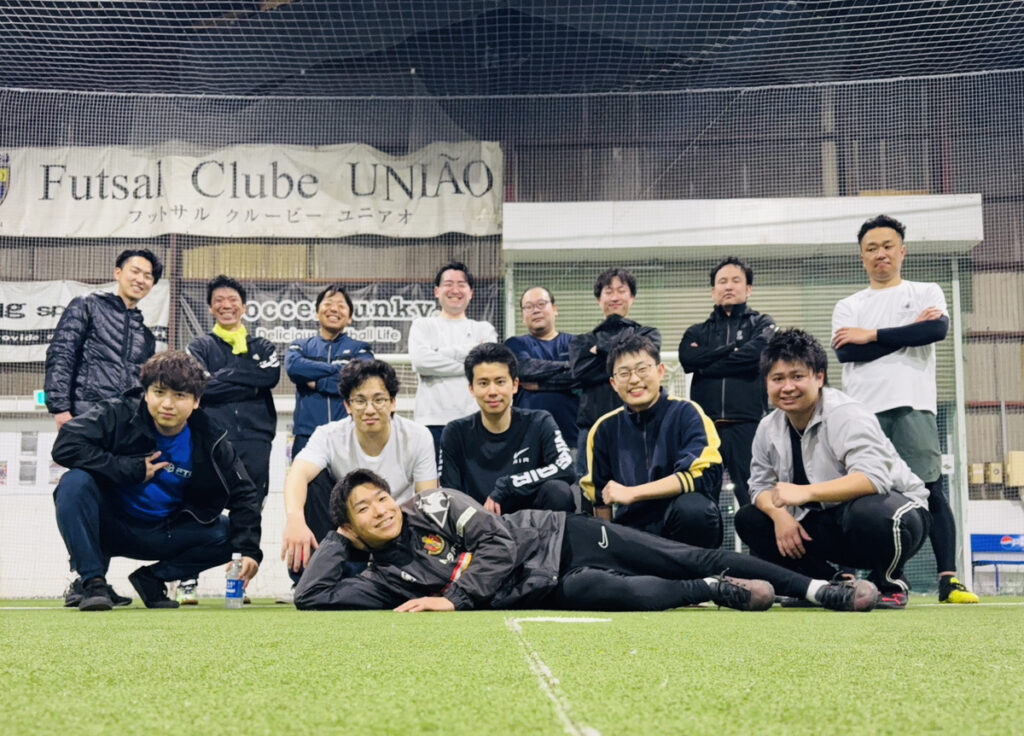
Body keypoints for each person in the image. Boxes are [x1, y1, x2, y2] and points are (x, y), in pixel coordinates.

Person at [292, 468, 878, 613]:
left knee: (684, 555)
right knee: (630, 595)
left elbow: (497, 546)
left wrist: (456, 599)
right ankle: (715, 590)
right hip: (543, 589)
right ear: (352, 528)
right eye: (363, 510)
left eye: (381, 497)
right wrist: (336, 540)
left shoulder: (436, 503)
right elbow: (311, 597)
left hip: (560, 538)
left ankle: (819, 589)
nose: (381, 510)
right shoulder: (380, 579)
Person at [831, 214, 978, 605]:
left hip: (913, 406)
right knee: (858, 495)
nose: (880, 254)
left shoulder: (926, 290)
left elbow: (935, 331)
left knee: (929, 490)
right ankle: (865, 576)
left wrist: (872, 334)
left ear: (902, 252)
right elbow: (847, 352)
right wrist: (908, 332)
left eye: (887, 246)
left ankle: (949, 579)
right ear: (862, 257)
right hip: (860, 413)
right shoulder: (849, 305)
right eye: (871, 248)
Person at [734, 329, 931, 609]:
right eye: (777, 379)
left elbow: (873, 479)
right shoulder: (768, 427)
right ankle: (824, 585)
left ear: (819, 377)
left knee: (871, 512)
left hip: (898, 515)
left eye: (797, 376)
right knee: (750, 518)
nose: (787, 387)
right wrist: (780, 516)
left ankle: (890, 582)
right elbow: (759, 487)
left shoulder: (846, 413)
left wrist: (806, 492)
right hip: (829, 522)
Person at [51, 351, 262, 611]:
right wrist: (128, 468)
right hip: (110, 526)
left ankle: (152, 579)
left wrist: (249, 552)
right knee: (74, 482)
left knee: (233, 535)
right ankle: (93, 582)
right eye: (159, 392)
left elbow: (244, 494)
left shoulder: (211, 439)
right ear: (146, 393)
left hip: (166, 532)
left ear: (196, 401)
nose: (167, 404)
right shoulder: (117, 413)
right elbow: (65, 446)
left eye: (180, 395)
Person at [281, 359, 437, 590]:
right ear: (347, 405)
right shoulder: (328, 435)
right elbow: (298, 473)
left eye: (379, 399)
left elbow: (428, 499)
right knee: (313, 483)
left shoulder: (417, 436)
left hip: (394, 529)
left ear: (393, 402)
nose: (370, 409)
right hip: (349, 532)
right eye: (360, 401)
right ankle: (312, 581)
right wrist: (295, 519)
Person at [182, 275, 279, 605]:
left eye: (232, 300)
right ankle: (186, 580)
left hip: (256, 439)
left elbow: (270, 376)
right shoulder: (199, 347)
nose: (226, 305)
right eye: (219, 301)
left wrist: (221, 378)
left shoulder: (262, 346)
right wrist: (248, 380)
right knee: (196, 508)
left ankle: (237, 584)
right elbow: (199, 386)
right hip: (211, 439)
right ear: (211, 308)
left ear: (244, 307)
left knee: (248, 511)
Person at [582, 335, 723, 548]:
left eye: (642, 369)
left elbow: (700, 475)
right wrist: (606, 549)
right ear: (613, 383)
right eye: (624, 373)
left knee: (694, 508)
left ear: (660, 371)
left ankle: (696, 569)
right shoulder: (603, 429)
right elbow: (600, 498)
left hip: (681, 528)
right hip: (632, 534)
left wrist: (633, 493)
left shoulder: (687, 413)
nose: (634, 380)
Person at [679, 257, 775, 507]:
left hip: (747, 425)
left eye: (735, 280)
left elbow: (758, 355)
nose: (728, 286)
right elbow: (688, 358)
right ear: (713, 291)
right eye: (722, 281)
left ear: (748, 288)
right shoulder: (697, 331)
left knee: (754, 497)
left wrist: (706, 364)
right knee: (701, 498)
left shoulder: (762, 323)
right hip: (706, 428)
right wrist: (732, 350)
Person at [439, 343, 576, 514]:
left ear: (515, 385)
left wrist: (508, 485)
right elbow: (450, 494)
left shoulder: (539, 421)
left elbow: (566, 468)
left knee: (559, 492)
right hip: (479, 524)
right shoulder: (455, 432)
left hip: (534, 525)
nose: (492, 391)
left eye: (500, 382)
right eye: (483, 383)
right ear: (472, 389)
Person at [45, 248, 163, 429]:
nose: (140, 280)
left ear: (152, 285)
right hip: (85, 415)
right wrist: (60, 408)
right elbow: (62, 353)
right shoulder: (88, 305)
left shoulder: (146, 336)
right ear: (118, 273)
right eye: (135, 271)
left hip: (127, 423)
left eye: (148, 276)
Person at [570, 267, 661, 472]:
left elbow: (644, 360)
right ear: (599, 299)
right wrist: (623, 354)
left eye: (621, 290)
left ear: (632, 297)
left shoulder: (649, 333)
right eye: (608, 291)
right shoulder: (582, 341)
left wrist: (599, 350)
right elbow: (580, 373)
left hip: (640, 425)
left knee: (642, 483)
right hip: (592, 428)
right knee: (589, 486)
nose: (615, 297)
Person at [409, 261, 498, 454]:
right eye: (448, 284)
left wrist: (439, 353)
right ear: (437, 291)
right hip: (431, 421)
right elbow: (421, 362)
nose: (455, 290)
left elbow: (488, 365)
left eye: (461, 284)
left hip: (476, 419)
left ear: (471, 293)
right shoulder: (422, 325)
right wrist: (471, 363)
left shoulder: (484, 329)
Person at [285, 284, 373, 457]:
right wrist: (338, 368)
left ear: (350, 318)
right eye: (328, 304)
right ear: (317, 313)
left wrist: (319, 383)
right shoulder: (301, 346)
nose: (334, 309)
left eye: (341, 305)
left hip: (350, 436)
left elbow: (362, 378)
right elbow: (294, 367)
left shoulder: (361, 348)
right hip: (307, 436)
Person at [504, 286, 579, 450]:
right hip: (528, 439)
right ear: (523, 316)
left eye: (541, 304)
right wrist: (568, 367)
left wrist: (540, 385)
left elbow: (582, 374)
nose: (536, 310)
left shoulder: (576, 343)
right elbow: (525, 370)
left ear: (555, 309)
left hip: (572, 439)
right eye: (529, 307)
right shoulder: (514, 344)